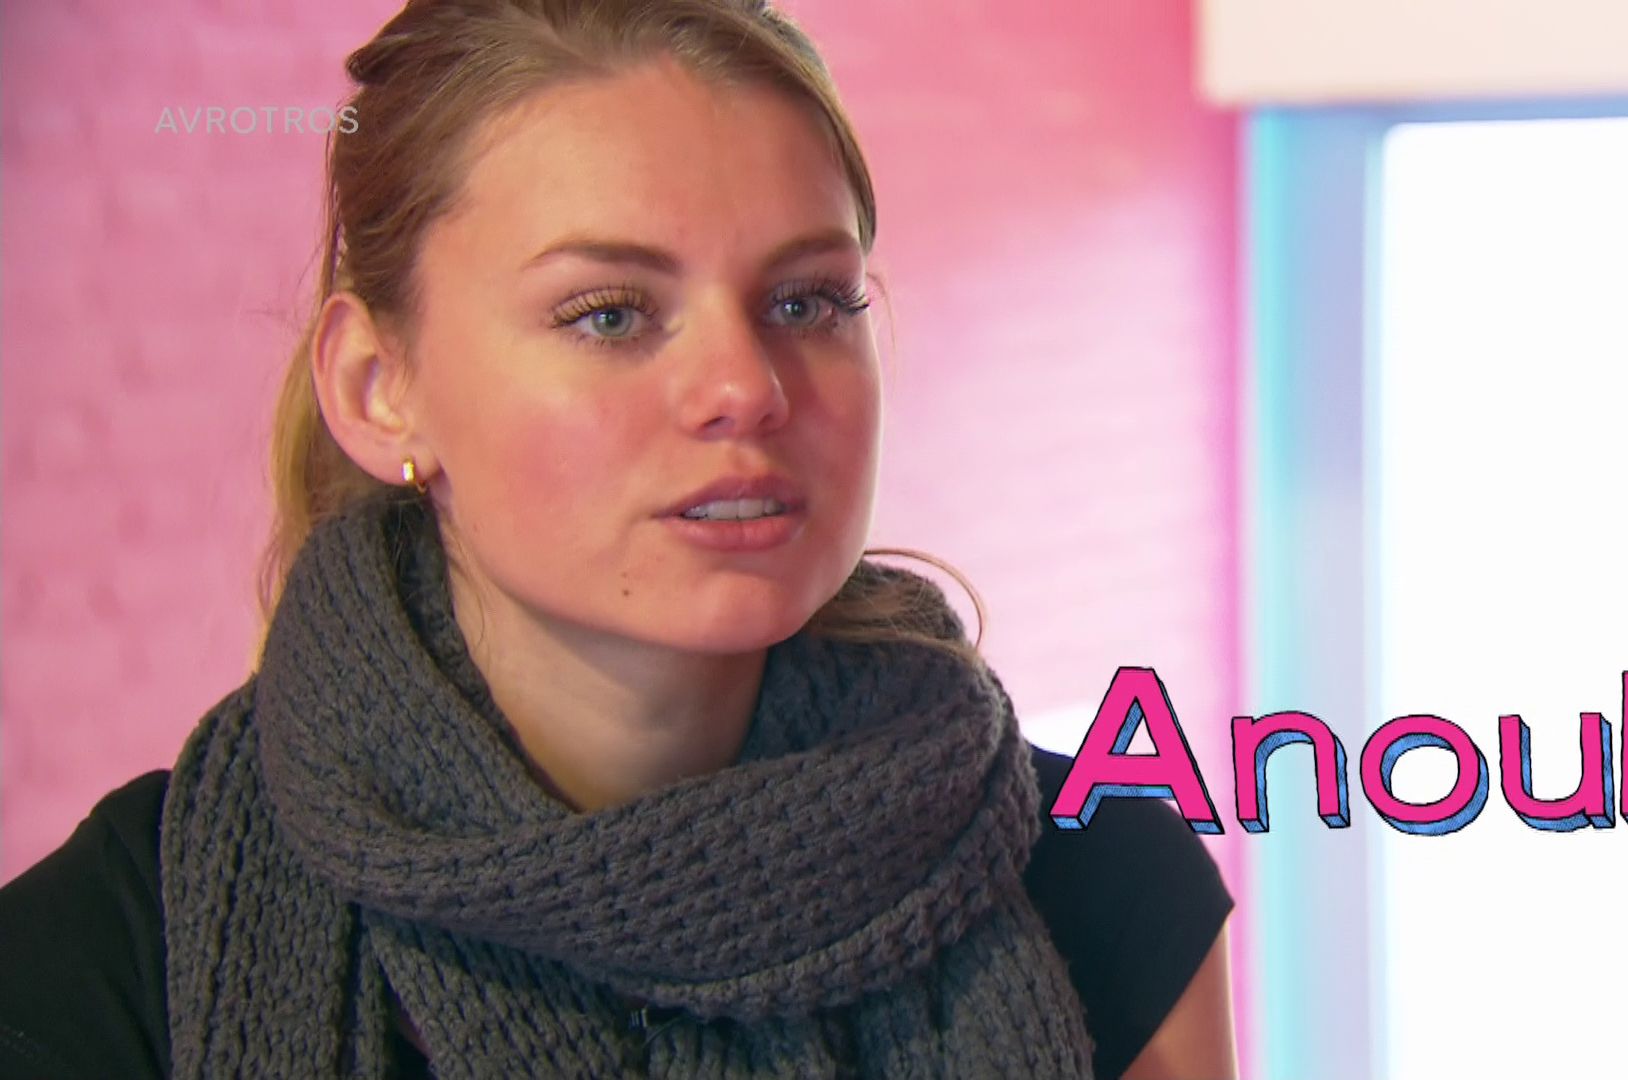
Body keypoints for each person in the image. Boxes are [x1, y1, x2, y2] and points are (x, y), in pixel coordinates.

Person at [0, 1, 1236, 1077]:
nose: (745, 387)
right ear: (380, 388)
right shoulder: (103, 963)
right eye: (609, 314)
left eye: (806, 300)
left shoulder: (1102, 882)